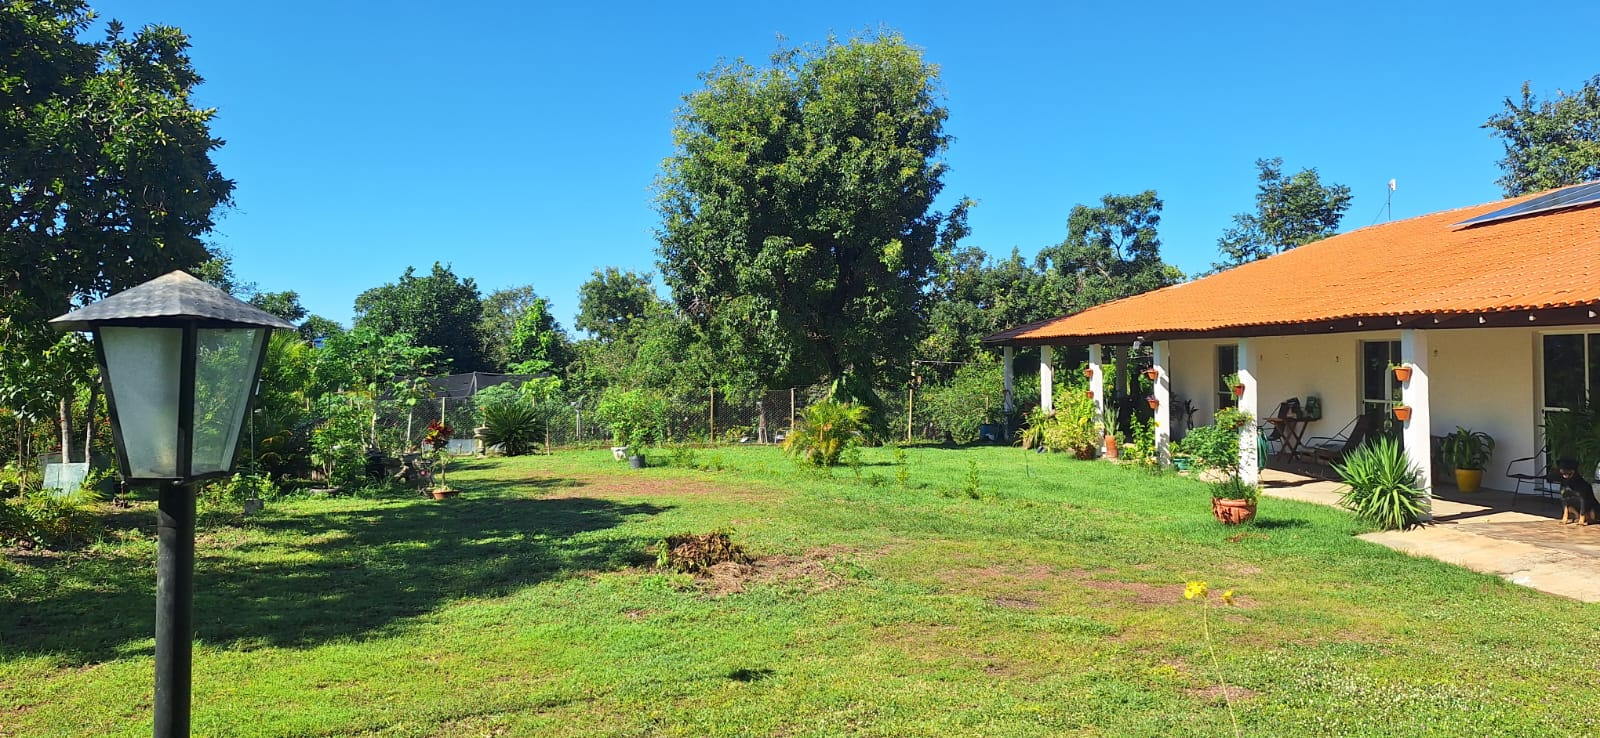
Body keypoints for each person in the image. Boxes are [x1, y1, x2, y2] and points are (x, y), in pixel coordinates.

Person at [1556, 458, 1599, 526]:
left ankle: (1583, 519)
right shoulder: (1563, 485)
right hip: (1576, 509)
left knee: (1589, 505)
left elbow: (1583, 500)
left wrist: (1582, 519)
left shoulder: (1581, 484)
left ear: (1575, 470)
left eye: (1569, 469)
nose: (1565, 471)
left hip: (1589, 508)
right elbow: (1564, 501)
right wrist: (1564, 517)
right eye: (1563, 469)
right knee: (1568, 505)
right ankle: (1565, 518)